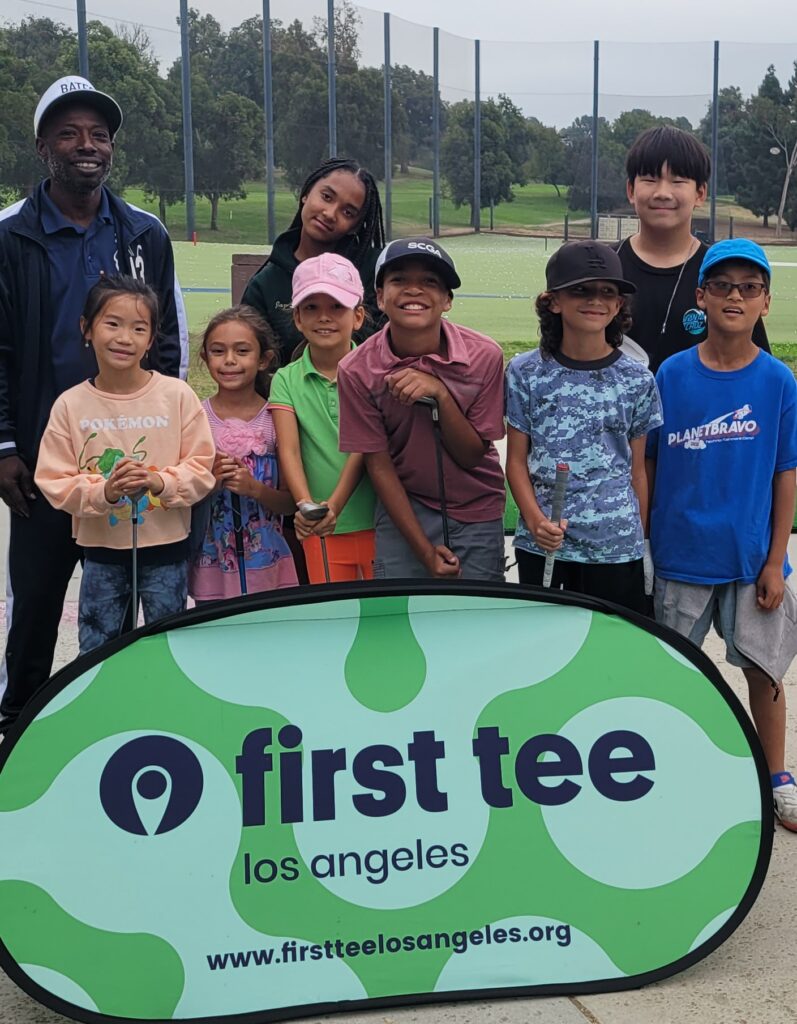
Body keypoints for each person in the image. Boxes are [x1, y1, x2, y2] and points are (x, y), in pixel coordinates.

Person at [0, 75, 188, 729]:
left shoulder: (144, 235)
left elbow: (167, 351)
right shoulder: (9, 235)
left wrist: (163, 458)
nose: (87, 145)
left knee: (132, 607)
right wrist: (3, 448)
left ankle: (135, 722)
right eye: (69, 133)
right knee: (36, 608)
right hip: (43, 463)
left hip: (133, 469)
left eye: (98, 135)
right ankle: (19, 726)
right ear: (42, 146)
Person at [646, 238, 797, 832]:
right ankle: (671, 771)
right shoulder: (672, 373)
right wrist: (648, 542)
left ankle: (777, 776)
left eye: (750, 287)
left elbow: (786, 474)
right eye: (724, 285)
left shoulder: (778, 380)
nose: (736, 296)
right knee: (673, 671)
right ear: (701, 296)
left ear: (765, 302)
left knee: (764, 670)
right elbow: (651, 463)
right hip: (680, 554)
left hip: (749, 557)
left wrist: (776, 558)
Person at [34, 277, 213, 656]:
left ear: (151, 340)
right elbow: (53, 480)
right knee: (98, 651)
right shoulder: (71, 405)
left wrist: (159, 481)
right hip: (101, 554)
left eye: (139, 328)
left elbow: (202, 468)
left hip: (167, 551)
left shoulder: (176, 396)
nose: (124, 338)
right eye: (112, 323)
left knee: (170, 648)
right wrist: (106, 491)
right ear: (87, 328)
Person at [505, 241, 661, 614]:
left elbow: (636, 470)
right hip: (546, 543)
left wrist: (637, 539)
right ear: (553, 301)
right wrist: (534, 520)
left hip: (616, 547)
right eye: (581, 290)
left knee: (612, 653)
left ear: (619, 304)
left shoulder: (638, 379)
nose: (596, 300)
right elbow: (515, 462)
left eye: (608, 291)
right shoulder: (525, 372)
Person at [337, 237, 506, 581]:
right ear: (380, 297)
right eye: (399, 280)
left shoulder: (484, 355)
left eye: (430, 282)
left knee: (479, 619)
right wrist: (425, 553)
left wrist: (442, 395)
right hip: (404, 510)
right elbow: (379, 467)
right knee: (402, 617)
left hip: (477, 507)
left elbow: (473, 454)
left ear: (447, 300)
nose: (414, 291)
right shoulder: (356, 370)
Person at [615, 125, 768, 374]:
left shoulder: (723, 274)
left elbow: (753, 365)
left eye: (678, 181)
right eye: (650, 180)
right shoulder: (603, 267)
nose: (663, 193)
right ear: (631, 190)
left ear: (700, 193)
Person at [270, 254, 375, 584]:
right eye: (311, 308)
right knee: (339, 624)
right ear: (298, 318)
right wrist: (306, 507)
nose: (324, 318)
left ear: (358, 316)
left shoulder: (373, 370)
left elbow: (365, 445)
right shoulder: (286, 379)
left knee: (384, 620)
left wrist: (334, 505)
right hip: (319, 526)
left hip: (380, 522)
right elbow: (289, 450)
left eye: (336, 307)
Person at [190, 307, 298, 601]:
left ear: (263, 359)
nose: (229, 361)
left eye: (242, 351)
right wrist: (210, 483)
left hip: (268, 563)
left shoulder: (277, 419)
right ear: (204, 357)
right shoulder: (195, 418)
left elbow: (291, 503)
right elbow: (183, 499)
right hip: (211, 566)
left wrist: (255, 489)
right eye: (218, 351)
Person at [242, 157, 386, 367]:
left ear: (356, 225)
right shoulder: (266, 283)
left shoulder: (376, 272)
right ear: (306, 194)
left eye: (348, 212)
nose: (329, 213)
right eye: (326, 197)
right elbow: (252, 358)